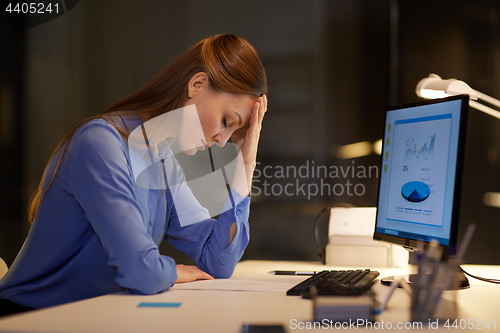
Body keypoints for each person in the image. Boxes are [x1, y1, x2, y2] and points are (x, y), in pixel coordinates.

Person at [0, 34, 268, 316]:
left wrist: (245, 164)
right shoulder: (99, 143)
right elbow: (142, 273)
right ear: (197, 84)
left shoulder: (164, 163)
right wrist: (169, 271)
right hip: (29, 317)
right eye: (227, 121)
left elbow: (219, 262)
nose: (223, 140)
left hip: (92, 315)